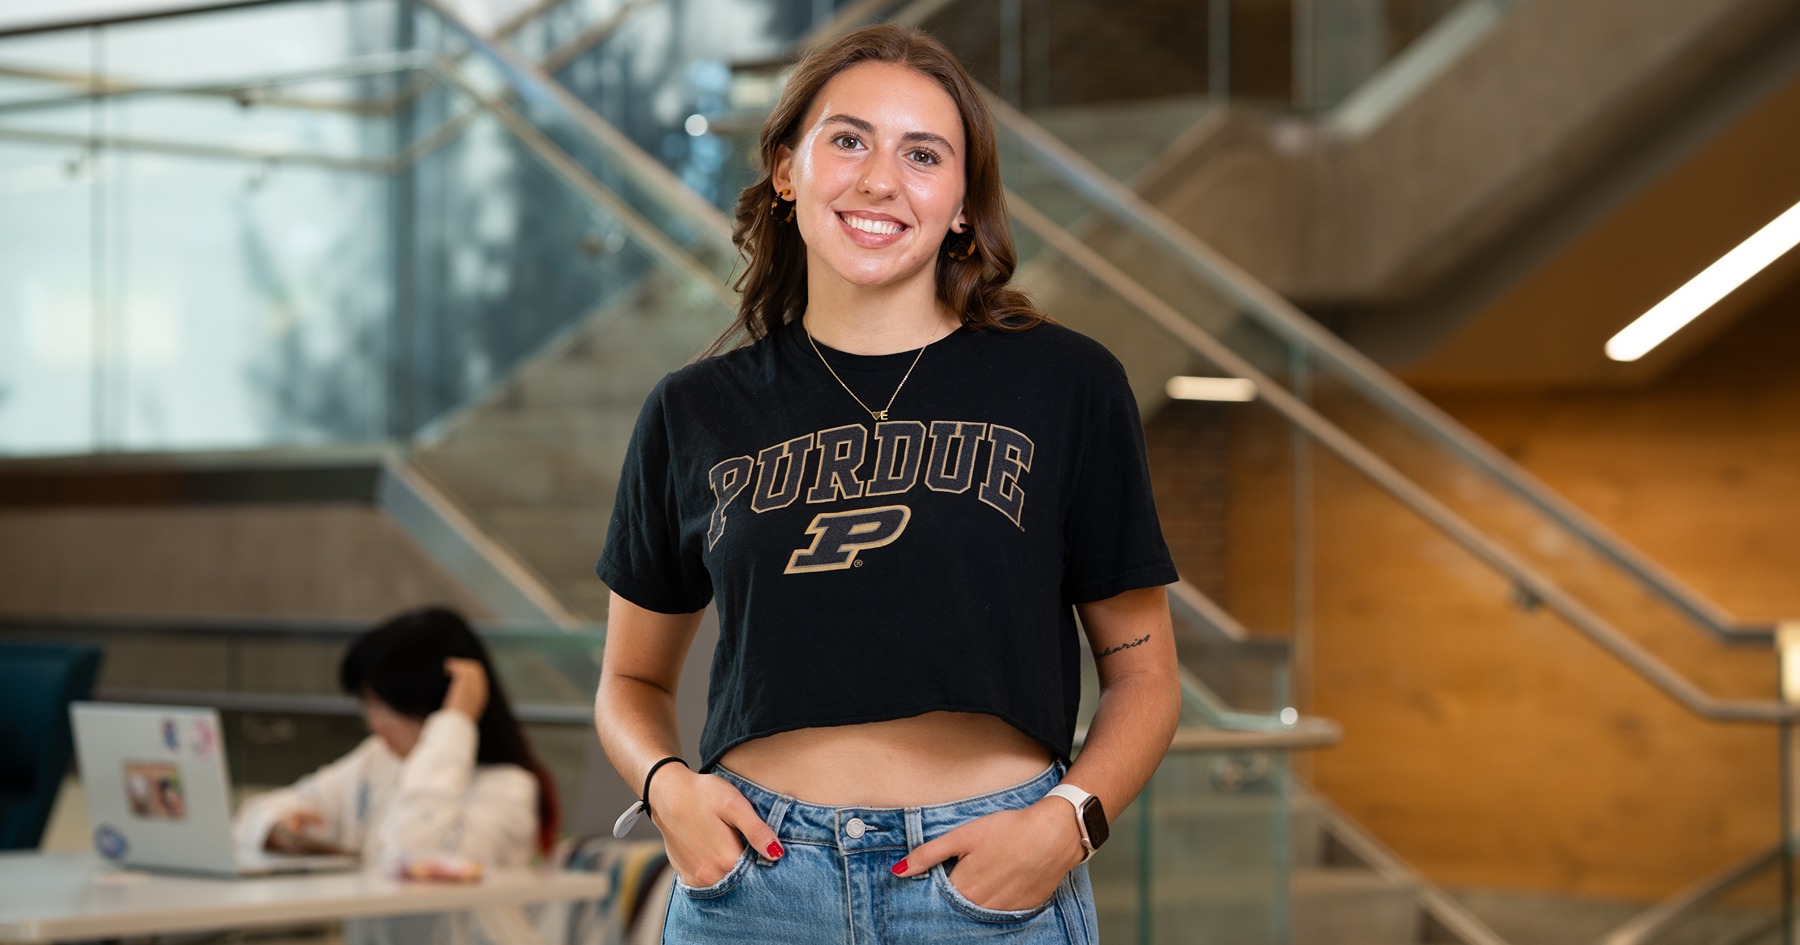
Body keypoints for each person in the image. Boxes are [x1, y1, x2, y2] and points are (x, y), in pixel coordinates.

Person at [593, 23, 1180, 945]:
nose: (879, 179)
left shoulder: (1068, 385)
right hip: (756, 886)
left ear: (959, 205)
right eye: (848, 139)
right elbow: (628, 677)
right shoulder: (695, 410)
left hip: (987, 884)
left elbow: (1144, 673)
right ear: (788, 170)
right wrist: (670, 793)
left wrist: (1066, 825)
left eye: (923, 154)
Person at [235, 607, 560, 945]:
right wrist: (278, 830)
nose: (376, 723)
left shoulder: (509, 788)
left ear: (436, 700)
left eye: (388, 706)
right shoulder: (379, 760)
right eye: (369, 704)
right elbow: (258, 812)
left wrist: (454, 723)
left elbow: (412, 858)